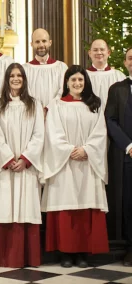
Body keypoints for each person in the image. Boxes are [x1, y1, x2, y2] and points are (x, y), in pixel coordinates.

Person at [42, 65, 109, 268]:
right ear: (66, 83)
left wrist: (87, 149)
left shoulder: (94, 105)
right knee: (66, 208)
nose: (77, 84)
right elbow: (52, 132)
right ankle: (65, 253)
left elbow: (101, 132)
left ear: (85, 82)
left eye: (81, 80)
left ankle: (82, 253)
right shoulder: (57, 105)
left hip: (88, 162)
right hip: (65, 164)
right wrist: (70, 149)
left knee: (85, 208)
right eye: (73, 80)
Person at [0, 63, 44, 268]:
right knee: (4, 207)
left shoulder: (34, 104)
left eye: (19, 75)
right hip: (5, 166)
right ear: (6, 79)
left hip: (25, 167)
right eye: (12, 76)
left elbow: (39, 134)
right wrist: (8, 158)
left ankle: (26, 257)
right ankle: (4, 258)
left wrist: (26, 159)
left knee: (25, 207)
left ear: (24, 79)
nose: (16, 79)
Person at [105, 47, 132, 266]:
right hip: (127, 155)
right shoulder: (116, 89)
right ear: (125, 62)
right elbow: (110, 120)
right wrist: (128, 145)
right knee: (129, 203)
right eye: (131, 58)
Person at [23, 28, 68, 108]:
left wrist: (48, 108)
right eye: (37, 42)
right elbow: (26, 93)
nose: (41, 45)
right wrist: (39, 110)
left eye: (44, 41)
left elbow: (63, 91)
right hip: (33, 112)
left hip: (56, 111)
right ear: (31, 44)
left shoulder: (61, 67)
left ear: (50, 42)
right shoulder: (25, 69)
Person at [87, 39, 125, 108]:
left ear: (108, 52)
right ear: (90, 53)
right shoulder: (83, 76)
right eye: (95, 50)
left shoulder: (119, 76)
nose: (99, 52)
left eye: (102, 49)